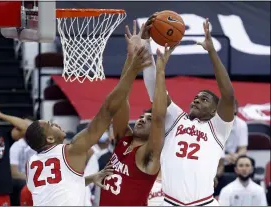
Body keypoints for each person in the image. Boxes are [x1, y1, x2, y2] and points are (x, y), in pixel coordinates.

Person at [25, 43, 152, 206]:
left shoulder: (32, 163)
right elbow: (108, 110)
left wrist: (91, 178)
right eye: (51, 125)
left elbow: (56, 187)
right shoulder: (72, 150)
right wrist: (132, 70)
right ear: (49, 139)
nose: (56, 124)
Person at [143, 16, 235, 206]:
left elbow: (228, 96)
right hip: (169, 202)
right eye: (196, 97)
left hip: (205, 203)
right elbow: (154, 90)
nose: (196, 99)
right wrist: (146, 45)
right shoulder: (176, 118)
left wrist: (211, 52)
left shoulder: (218, 127)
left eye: (204, 99)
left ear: (214, 111)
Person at [100, 20, 172, 206]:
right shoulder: (123, 139)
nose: (142, 119)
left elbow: (158, 117)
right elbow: (121, 99)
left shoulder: (150, 154)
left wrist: (160, 71)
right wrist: (130, 57)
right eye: (141, 117)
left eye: (147, 119)